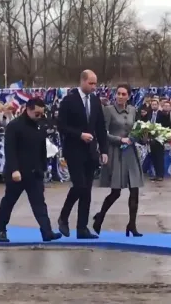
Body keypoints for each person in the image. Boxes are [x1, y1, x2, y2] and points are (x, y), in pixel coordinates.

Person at [0, 97, 61, 243]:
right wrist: (14, 169)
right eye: (36, 114)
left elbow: (42, 148)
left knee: (39, 204)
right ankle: (1, 230)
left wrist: (43, 167)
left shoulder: (39, 125)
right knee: (9, 202)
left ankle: (47, 231)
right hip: (17, 173)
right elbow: (10, 150)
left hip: (35, 172)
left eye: (41, 114)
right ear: (28, 109)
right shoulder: (15, 126)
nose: (39, 117)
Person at [57, 70, 109, 240]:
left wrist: (104, 150)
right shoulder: (69, 100)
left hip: (90, 152)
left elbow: (100, 127)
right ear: (83, 81)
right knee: (79, 186)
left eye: (95, 84)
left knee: (87, 191)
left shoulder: (95, 101)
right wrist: (79, 134)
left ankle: (82, 228)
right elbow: (61, 126)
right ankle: (63, 217)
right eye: (91, 83)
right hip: (74, 150)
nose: (94, 87)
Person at [94, 84, 144, 237]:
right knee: (115, 192)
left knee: (134, 190)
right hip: (116, 152)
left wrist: (140, 135)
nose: (120, 96)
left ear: (128, 96)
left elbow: (136, 129)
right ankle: (100, 216)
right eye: (118, 93)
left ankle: (132, 225)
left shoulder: (133, 110)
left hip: (130, 153)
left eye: (124, 94)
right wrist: (119, 139)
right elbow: (103, 132)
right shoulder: (108, 110)